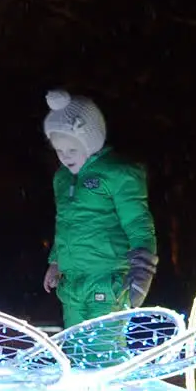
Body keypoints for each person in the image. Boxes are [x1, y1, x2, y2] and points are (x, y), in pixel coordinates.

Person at [41, 89, 158, 332]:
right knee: (75, 349)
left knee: (104, 350)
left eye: (71, 150)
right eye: (59, 150)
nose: (65, 157)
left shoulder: (118, 174)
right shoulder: (62, 178)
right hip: (73, 282)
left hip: (108, 277)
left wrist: (143, 269)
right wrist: (56, 262)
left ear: (90, 140)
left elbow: (138, 222)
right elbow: (66, 223)